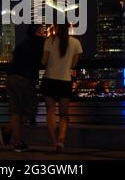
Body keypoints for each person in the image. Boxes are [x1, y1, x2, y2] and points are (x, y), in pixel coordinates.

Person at [0, 24, 45, 152]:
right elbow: (45, 60)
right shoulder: (41, 42)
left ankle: (17, 142)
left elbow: (13, 58)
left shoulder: (21, 44)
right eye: (42, 30)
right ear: (37, 32)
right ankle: (8, 131)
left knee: (16, 110)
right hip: (23, 78)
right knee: (32, 109)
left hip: (10, 77)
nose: (44, 32)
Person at [41, 22, 83, 152]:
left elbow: (43, 61)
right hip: (65, 80)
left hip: (49, 79)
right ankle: (61, 139)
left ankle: (54, 142)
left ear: (57, 28)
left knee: (50, 112)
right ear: (68, 28)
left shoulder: (49, 41)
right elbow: (74, 64)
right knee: (64, 114)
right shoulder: (76, 43)